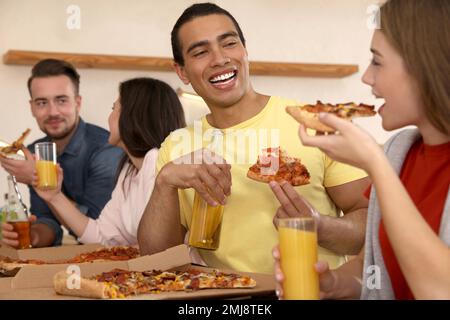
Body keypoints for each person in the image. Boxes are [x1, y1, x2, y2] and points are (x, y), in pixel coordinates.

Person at [138, 3, 370, 274]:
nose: (219, 58)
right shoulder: (176, 149)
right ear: (182, 72)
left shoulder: (311, 124)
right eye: (201, 52)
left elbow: (373, 225)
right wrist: (164, 182)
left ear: (245, 51)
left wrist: (320, 225)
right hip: (227, 300)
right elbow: (156, 263)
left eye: (229, 43)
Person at [273, 0, 450, 299]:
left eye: (377, 62)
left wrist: (374, 163)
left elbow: (440, 289)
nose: (367, 77)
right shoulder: (399, 151)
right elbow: (371, 268)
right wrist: (335, 284)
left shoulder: (383, 161)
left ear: (427, 66)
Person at [12, 77, 185, 246]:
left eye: (114, 108)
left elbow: (160, 250)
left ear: (133, 116)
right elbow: (103, 236)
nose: (109, 117)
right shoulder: (128, 169)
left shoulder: (156, 163)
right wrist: (54, 196)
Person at [0, 59, 123, 247]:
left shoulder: (105, 149)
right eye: (42, 102)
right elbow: (47, 221)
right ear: (32, 107)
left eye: (61, 100)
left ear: (78, 102)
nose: (53, 112)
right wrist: (31, 236)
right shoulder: (35, 151)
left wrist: (40, 178)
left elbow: (100, 232)